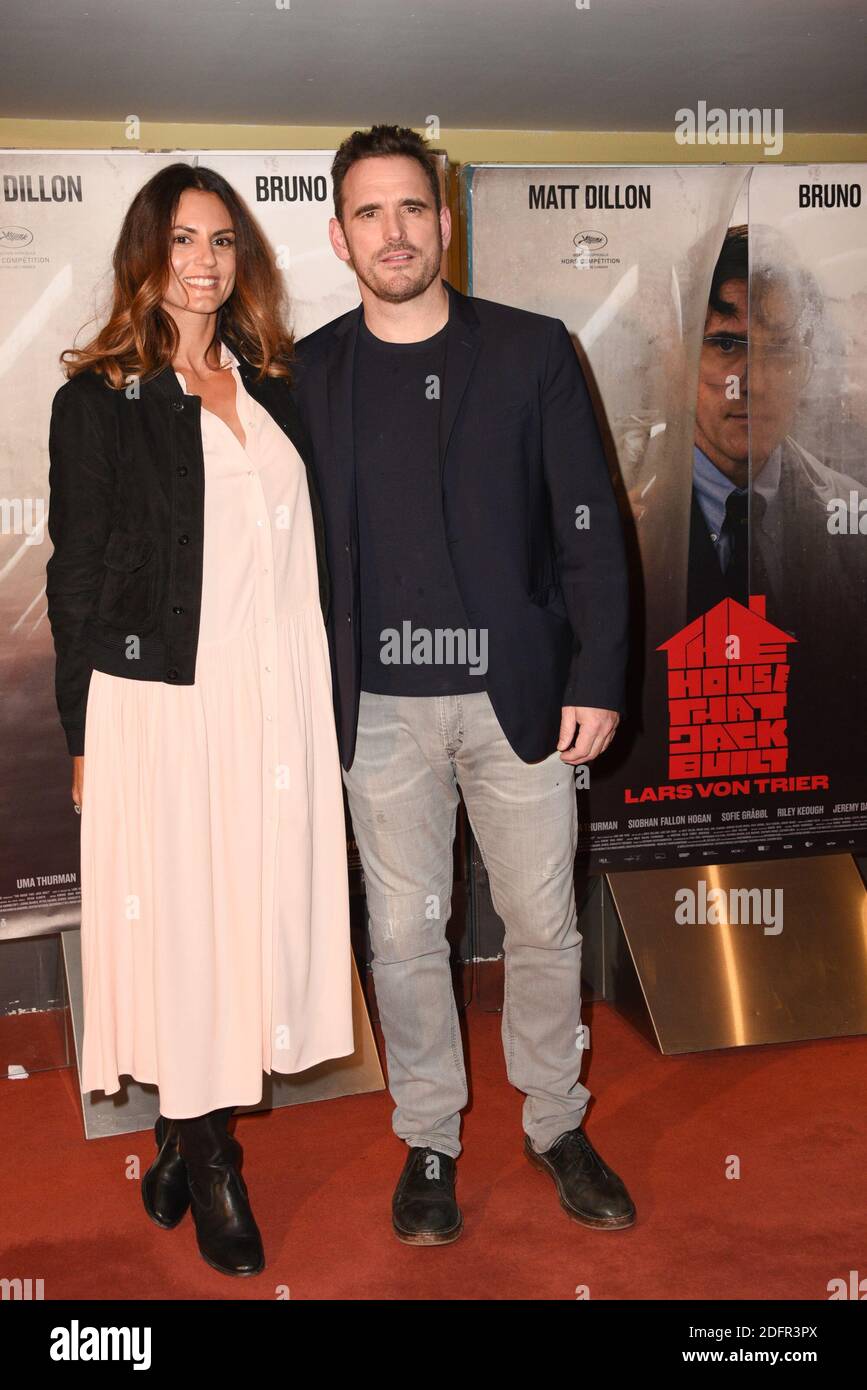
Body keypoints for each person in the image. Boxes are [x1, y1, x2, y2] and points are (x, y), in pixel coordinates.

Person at [292, 124, 635, 1244]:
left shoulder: (534, 352)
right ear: (339, 237)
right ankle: (430, 1135)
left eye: (413, 208)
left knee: (542, 924)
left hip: (517, 698)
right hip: (378, 712)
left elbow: (592, 527)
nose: (395, 231)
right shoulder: (307, 372)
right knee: (404, 934)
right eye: (370, 214)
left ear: (444, 220)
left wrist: (597, 671)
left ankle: (555, 1121)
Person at [45, 163, 354, 1277]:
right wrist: (83, 729)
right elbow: (74, 574)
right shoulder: (99, 399)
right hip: (162, 702)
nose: (204, 262)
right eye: (182, 240)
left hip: (272, 698)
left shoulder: (272, 383)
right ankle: (214, 1156)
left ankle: (182, 1133)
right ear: (147, 254)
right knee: (185, 923)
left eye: (221, 240)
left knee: (250, 918)